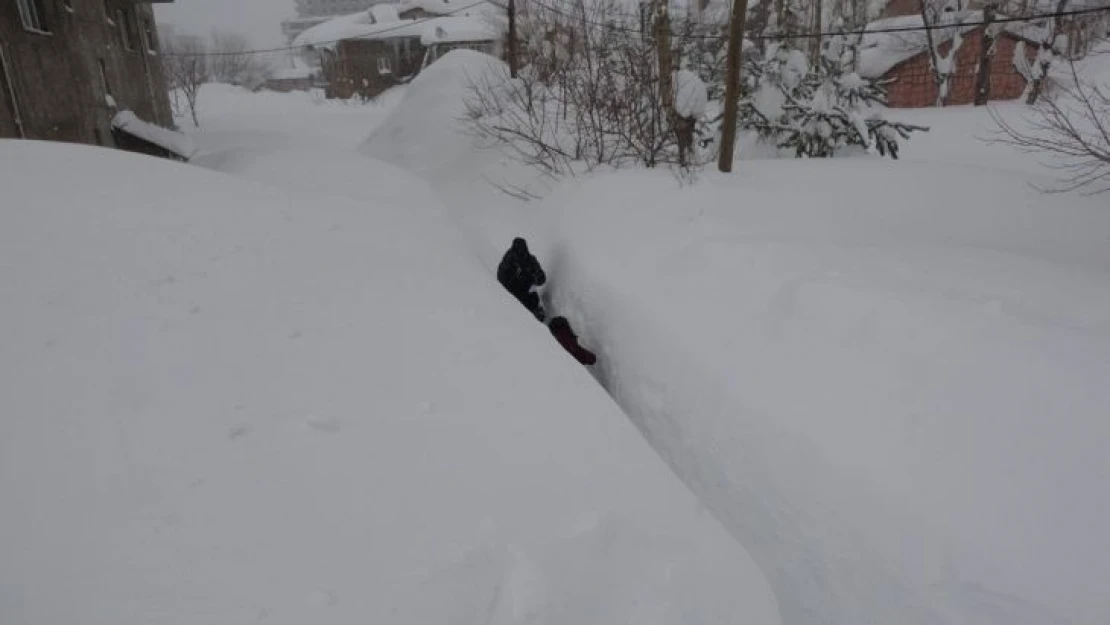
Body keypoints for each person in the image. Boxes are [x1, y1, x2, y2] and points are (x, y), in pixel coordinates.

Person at [497, 237, 547, 321]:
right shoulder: (508, 260)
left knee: (533, 299)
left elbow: (542, 278)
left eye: (524, 251)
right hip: (512, 295)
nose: (522, 255)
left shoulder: (530, 260)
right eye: (519, 252)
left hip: (528, 292)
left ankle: (537, 316)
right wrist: (517, 278)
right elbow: (501, 278)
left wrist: (535, 277)